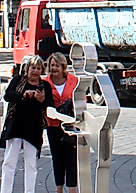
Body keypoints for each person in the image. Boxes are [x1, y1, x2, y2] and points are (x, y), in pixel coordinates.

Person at [1, 55, 53, 193]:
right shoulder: (18, 80)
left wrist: (42, 100)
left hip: (33, 129)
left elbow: (50, 106)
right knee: (9, 162)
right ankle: (5, 191)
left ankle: (29, 191)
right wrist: (23, 95)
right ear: (27, 69)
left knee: (31, 164)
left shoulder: (44, 86)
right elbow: (8, 96)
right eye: (33, 68)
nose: (35, 71)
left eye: (38, 68)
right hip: (16, 126)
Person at [44, 53, 78, 193]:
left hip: (70, 124)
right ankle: (58, 188)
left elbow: (80, 100)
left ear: (63, 66)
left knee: (71, 159)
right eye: (52, 65)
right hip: (53, 124)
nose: (54, 68)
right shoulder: (46, 82)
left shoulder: (73, 80)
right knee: (57, 159)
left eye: (56, 65)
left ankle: (72, 189)